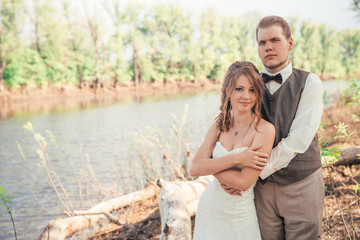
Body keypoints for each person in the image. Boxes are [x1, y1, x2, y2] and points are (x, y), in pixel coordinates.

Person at [220, 15, 324, 240]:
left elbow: (299, 139)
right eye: (262, 42)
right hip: (260, 190)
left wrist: (252, 174)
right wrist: (230, 175)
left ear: (290, 43)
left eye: (275, 40)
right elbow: (230, 130)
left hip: (301, 183)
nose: (268, 47)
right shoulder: (247, 86)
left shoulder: (310, 82)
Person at [190, 61, 275, 240]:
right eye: (239, 89)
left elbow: (243, 182)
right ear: (228, 91)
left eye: (252, 90)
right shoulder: (219, 125)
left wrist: (211, 167)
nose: (246, 96)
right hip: (210, 210)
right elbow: (194, 169)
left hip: (240, 215)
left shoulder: (265, 130)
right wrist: (238, 158)